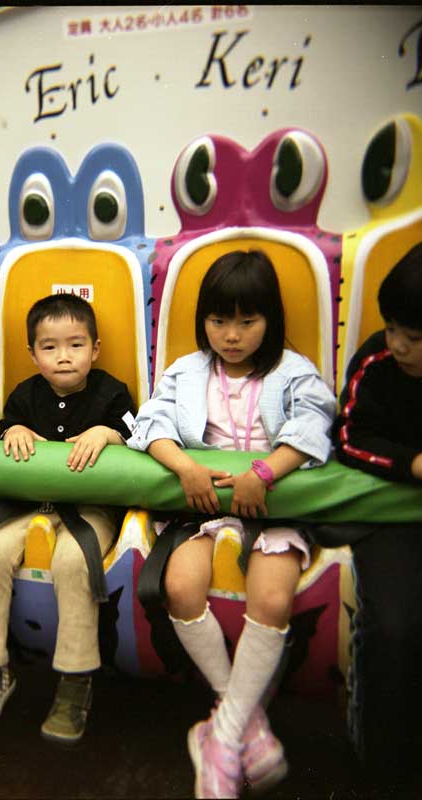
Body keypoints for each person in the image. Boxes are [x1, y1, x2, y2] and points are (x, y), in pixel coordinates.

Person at [128, 250, 336, 798]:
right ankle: (245, 723)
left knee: (273, 599)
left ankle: (220, 735)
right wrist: (186, 468)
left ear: (271, 319)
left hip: (274, 508)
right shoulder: (186, 371)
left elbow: (315, 423)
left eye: (247, 321)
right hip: (204, 509)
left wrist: (264, 473)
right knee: (179, 586)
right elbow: (151, 423)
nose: (232, 335)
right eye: (219, 321)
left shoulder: (293, 371)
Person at [0, 293, 134, 743]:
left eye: (76, 345)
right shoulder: (24, 394)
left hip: (91, 508)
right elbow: (6, 432)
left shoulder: (112, 392)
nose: (64, 357)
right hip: (30, 505)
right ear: (33, 353)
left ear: (95, 349)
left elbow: (137, 433)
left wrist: (108, 433)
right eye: (50, 347)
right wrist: (14, 430)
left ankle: (76, 681)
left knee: (73, 562)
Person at [333, 235, 422, 786]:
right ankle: (384, 771)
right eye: (392, 328)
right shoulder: (379, 360)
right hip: (398, 507)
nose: (397, 345)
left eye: (414, 337)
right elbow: (348, 437)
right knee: (394, 628)